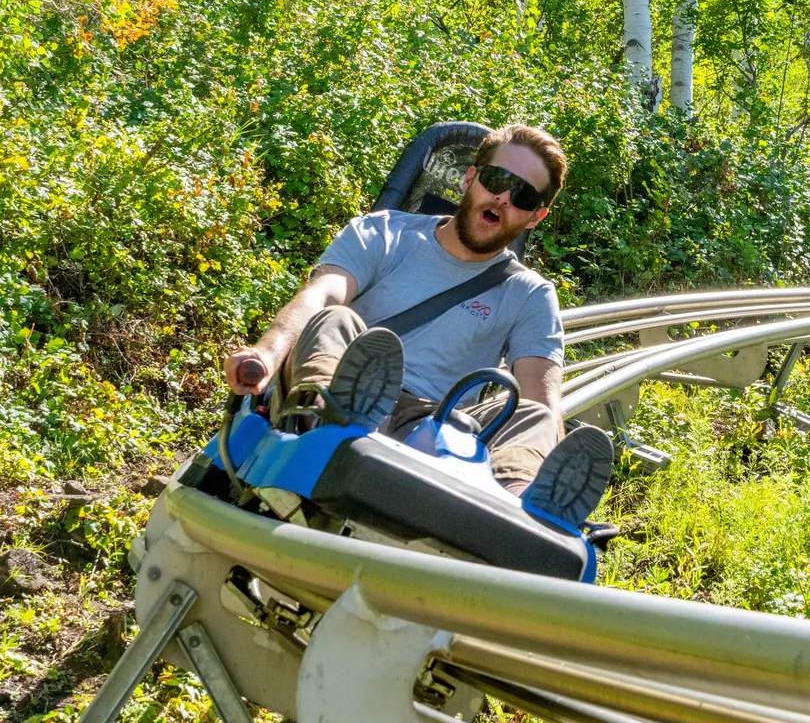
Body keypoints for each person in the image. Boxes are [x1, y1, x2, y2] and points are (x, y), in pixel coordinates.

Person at [223, 124, 615, 526]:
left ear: (535, 217)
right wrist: (267, 353)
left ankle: (522, 514)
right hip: (338, 382)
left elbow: (542, 401)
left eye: (523, 196)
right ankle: (336, 426)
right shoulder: (384, 232)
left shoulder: (529, 294)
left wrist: (544, 444)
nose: (503, 197)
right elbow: (323, 294)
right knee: (336, 318)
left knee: (531, 413)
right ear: (470, 178)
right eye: (497, 180)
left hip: (431, 425)